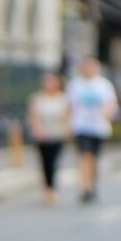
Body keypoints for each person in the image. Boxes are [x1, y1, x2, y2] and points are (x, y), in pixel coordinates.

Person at [66, 56, 117, 203]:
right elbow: (69, 106)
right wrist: (68, 125)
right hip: (81, 126)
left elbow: (111, 104)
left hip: (98, 127)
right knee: (85, 156)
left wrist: (108, 112)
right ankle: (85, 187)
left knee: (93, 159)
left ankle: (92, 184)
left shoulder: (104, 84)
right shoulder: (75, 84)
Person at [26, 71, 71, 204]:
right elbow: (33, 116)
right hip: (42, 135)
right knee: (45, 162)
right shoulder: (37, 98)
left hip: (57, 134)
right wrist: (38, 130)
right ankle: (47, 188)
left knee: (54, 162)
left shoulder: (63, 98)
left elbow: (67, 116)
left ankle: (51, 187)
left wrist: (66, 130)